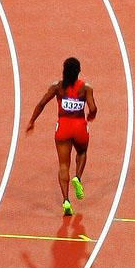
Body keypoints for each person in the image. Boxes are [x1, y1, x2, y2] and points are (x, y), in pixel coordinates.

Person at [26, 57, 97, 216]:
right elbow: (93, 108)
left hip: (63, 127)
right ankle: (78, 177)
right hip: (79, 126)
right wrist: (91, 116)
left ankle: (66, 201)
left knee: (63, 165)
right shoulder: (86, 88)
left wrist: (32, 121)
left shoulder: (57, 87)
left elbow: (41, 103)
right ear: (79, 71)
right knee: (82, 152)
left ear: (64, 71)